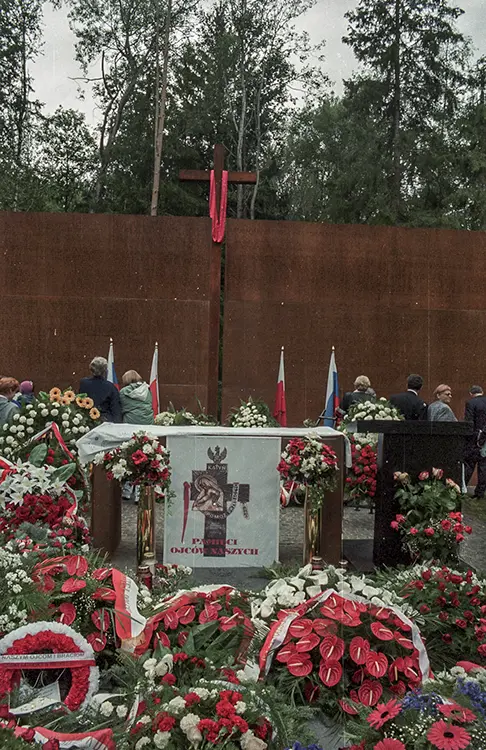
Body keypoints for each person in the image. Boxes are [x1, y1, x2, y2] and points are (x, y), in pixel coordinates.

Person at [79, 357, 122, 423]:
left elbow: (79, 402)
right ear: (105, 371)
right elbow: (116, 410)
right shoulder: (111, 387)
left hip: (87, 421)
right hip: (106, 422)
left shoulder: (83, 383)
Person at [464, 385, 486, 498]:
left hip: (474, 438)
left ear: (471, 394)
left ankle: (463, 488)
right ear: (482, 392)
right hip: (485, 438)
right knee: (483, 466)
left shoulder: (471, 403)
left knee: (469, 464)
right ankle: (480, 492)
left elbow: (469, 422)